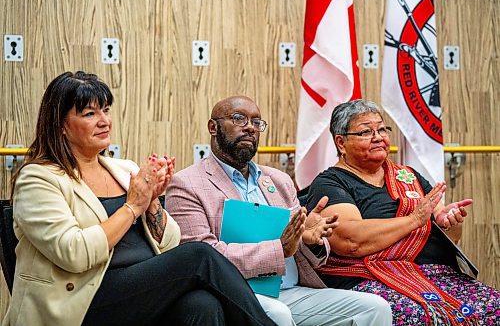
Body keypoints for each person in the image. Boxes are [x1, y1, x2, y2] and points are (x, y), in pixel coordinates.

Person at [3, 72, 277, 326]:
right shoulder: (38, 178)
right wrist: (133, 206)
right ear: (61, 125)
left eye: (106, 110)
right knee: (200, 256)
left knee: (202, 305)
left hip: (139, 290)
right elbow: (74, 253)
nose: (104, 121)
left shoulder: (125, 169)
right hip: (81, 300)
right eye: (90, 113)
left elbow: (169, 243)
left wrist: (152, 202)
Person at [165, 95, 393, 326]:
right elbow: (203, 260)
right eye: (239, 119)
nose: (250, 128)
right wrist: (279, 249)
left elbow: (302, 249)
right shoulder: (187, 184)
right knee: (279, 314)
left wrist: (309, 238)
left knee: (374, 308)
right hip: (235, 291)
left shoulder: (278, 180)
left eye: (256, 122)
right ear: (213, 127)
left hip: (291, 290)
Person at [305, 99, 500, 325]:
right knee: (418, 315)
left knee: (494, 306)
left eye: (382, 129)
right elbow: (350, 240)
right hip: (372, 277)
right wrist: (414, 220)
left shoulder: (408, 176)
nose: (378, 136)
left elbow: (449, 235)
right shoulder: (330, 182)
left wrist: (449, 221)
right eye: (366, 131)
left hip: (437, 275)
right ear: (341, 142)